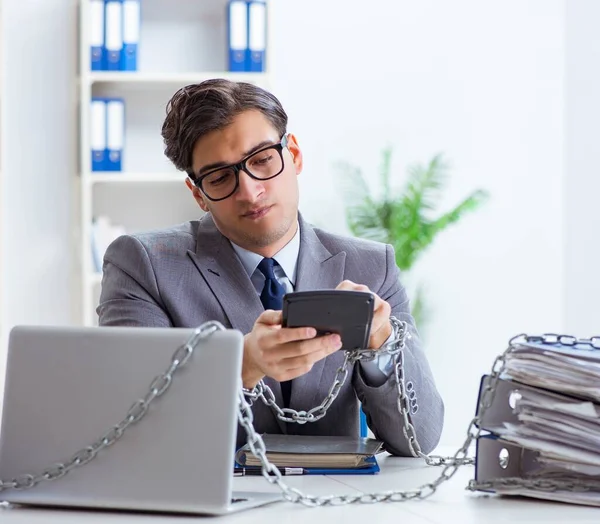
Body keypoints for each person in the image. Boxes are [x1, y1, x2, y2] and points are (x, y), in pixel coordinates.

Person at [97, 79, 444, 455]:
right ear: (198, 194)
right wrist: (242, 366)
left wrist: (381, 346)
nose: (249, 190)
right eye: (219, 177)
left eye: (262, 160)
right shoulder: (142, 264)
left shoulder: (372, 266)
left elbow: (420, 441)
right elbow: (130, 430)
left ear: (293, 155)